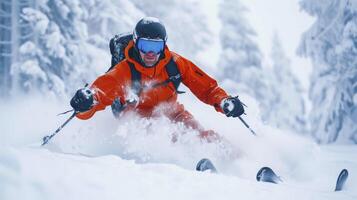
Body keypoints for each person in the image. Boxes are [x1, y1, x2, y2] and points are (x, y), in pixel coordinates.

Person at [70, 17, 244, 142]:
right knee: (165, 139)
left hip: (173, 112)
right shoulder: (123, 70)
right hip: (136, 118)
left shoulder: (175, 63)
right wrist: (86, 101)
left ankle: (239, 162)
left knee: (201, 136)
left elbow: (206, 88)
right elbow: (99, 94)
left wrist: (224, 101)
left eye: (156, 46)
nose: (151, 53)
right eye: (146, 46)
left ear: (164, 45)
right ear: (137, 43)